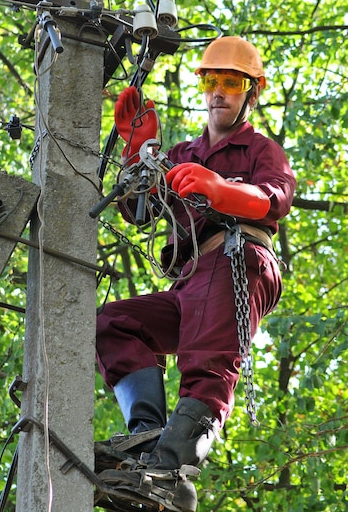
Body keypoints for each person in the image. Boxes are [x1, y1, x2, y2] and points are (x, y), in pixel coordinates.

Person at [96, 36, 296, 512]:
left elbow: (274, 199)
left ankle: (174, 471)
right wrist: (138, 151)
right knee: (112, 324)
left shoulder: (260, 149)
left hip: (238, 256)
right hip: (191, 278)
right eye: (212, 80)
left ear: (252, 91)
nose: (220, 91)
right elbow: (138, 210)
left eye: (232, 82)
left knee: (206, 358)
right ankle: (148, 446)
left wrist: (221, 190)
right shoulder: (185, 153)